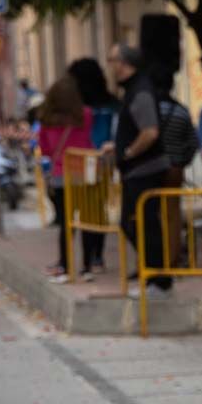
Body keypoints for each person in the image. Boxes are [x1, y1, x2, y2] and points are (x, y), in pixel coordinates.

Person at [104, 44, 171, 297]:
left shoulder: (140, 91)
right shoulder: (133, 89)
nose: (109, 66)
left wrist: (128, 152)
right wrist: (118, 146)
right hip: (136, 170)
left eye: (112, 60)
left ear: (123, 63)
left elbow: (150, 132)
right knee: (134, 223)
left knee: (144, 224)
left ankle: (159, 280)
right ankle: (153, 273)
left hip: (145, 169)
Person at [67, 57, 120, 275]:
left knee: (83, 211)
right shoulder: (111, 103)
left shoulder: (76, 107)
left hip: (80, 161)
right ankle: (97, 256)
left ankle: (86, 261)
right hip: (104, 162)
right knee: (98, 210)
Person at [37, 76, 92, 281]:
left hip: (60, 176)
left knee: (66, 223)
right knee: (87, 221)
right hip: (84, 174)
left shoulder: (46, 120)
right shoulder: (85, 115)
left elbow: (46, 150)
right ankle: (88, 266)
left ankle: (66, 265)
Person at [150, 66, 200, 266]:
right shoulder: (181, 111)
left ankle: (155, 259)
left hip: (151, 169)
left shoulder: (150, 111)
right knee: (172, 215)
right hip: (175, 168)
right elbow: (193, 142)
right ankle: (172, 258)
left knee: (151, 214)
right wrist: (182, 160)